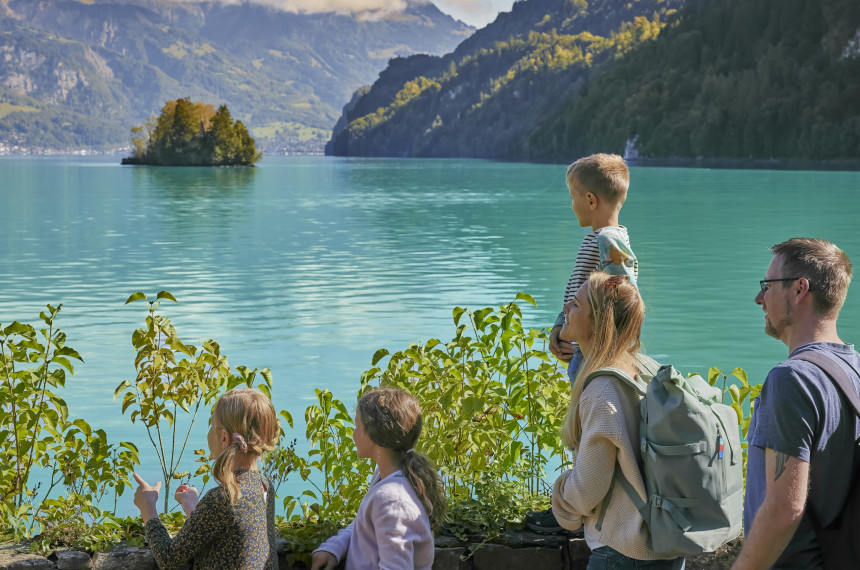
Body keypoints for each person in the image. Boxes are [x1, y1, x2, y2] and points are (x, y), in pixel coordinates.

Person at [732, 238, 860, 570]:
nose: (759, 298)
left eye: (768, 286)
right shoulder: (856, 370)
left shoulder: (792, 379)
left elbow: (784, 509)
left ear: (799, 289)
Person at [530, 153, 638, 534]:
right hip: (584, 348)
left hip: (593, 355)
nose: (571, 203)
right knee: (585, 428)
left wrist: (576, 335)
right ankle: (580, 507)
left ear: (591, 200)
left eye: (574, 195)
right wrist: (561, 329)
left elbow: (621, 293)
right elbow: (582, 298)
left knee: (584, 429)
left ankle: (572, 512)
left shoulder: (607, 239)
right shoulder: (602, 237)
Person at [551, 272, 684, 570]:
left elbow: (588, 488)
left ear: (599, 320)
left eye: (576, 304)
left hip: (624, 551)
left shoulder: (602, 390)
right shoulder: (645, 369)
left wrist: (559, 497)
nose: (566, 310)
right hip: (668, 541)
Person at [133, 388, 280, 570]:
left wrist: (148, 506)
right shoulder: (264, 485)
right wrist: (193, 507)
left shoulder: (222, 498)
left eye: (212, 425)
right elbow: (231, 533)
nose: (209, 431)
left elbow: (168, 558)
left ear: (224, 438)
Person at [311, 388, 446, 570]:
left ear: (373, 436)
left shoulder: (392, 499)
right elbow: (365, 526)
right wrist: (335, 547)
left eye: (358, 426)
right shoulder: (388, 477)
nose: (353, 433)